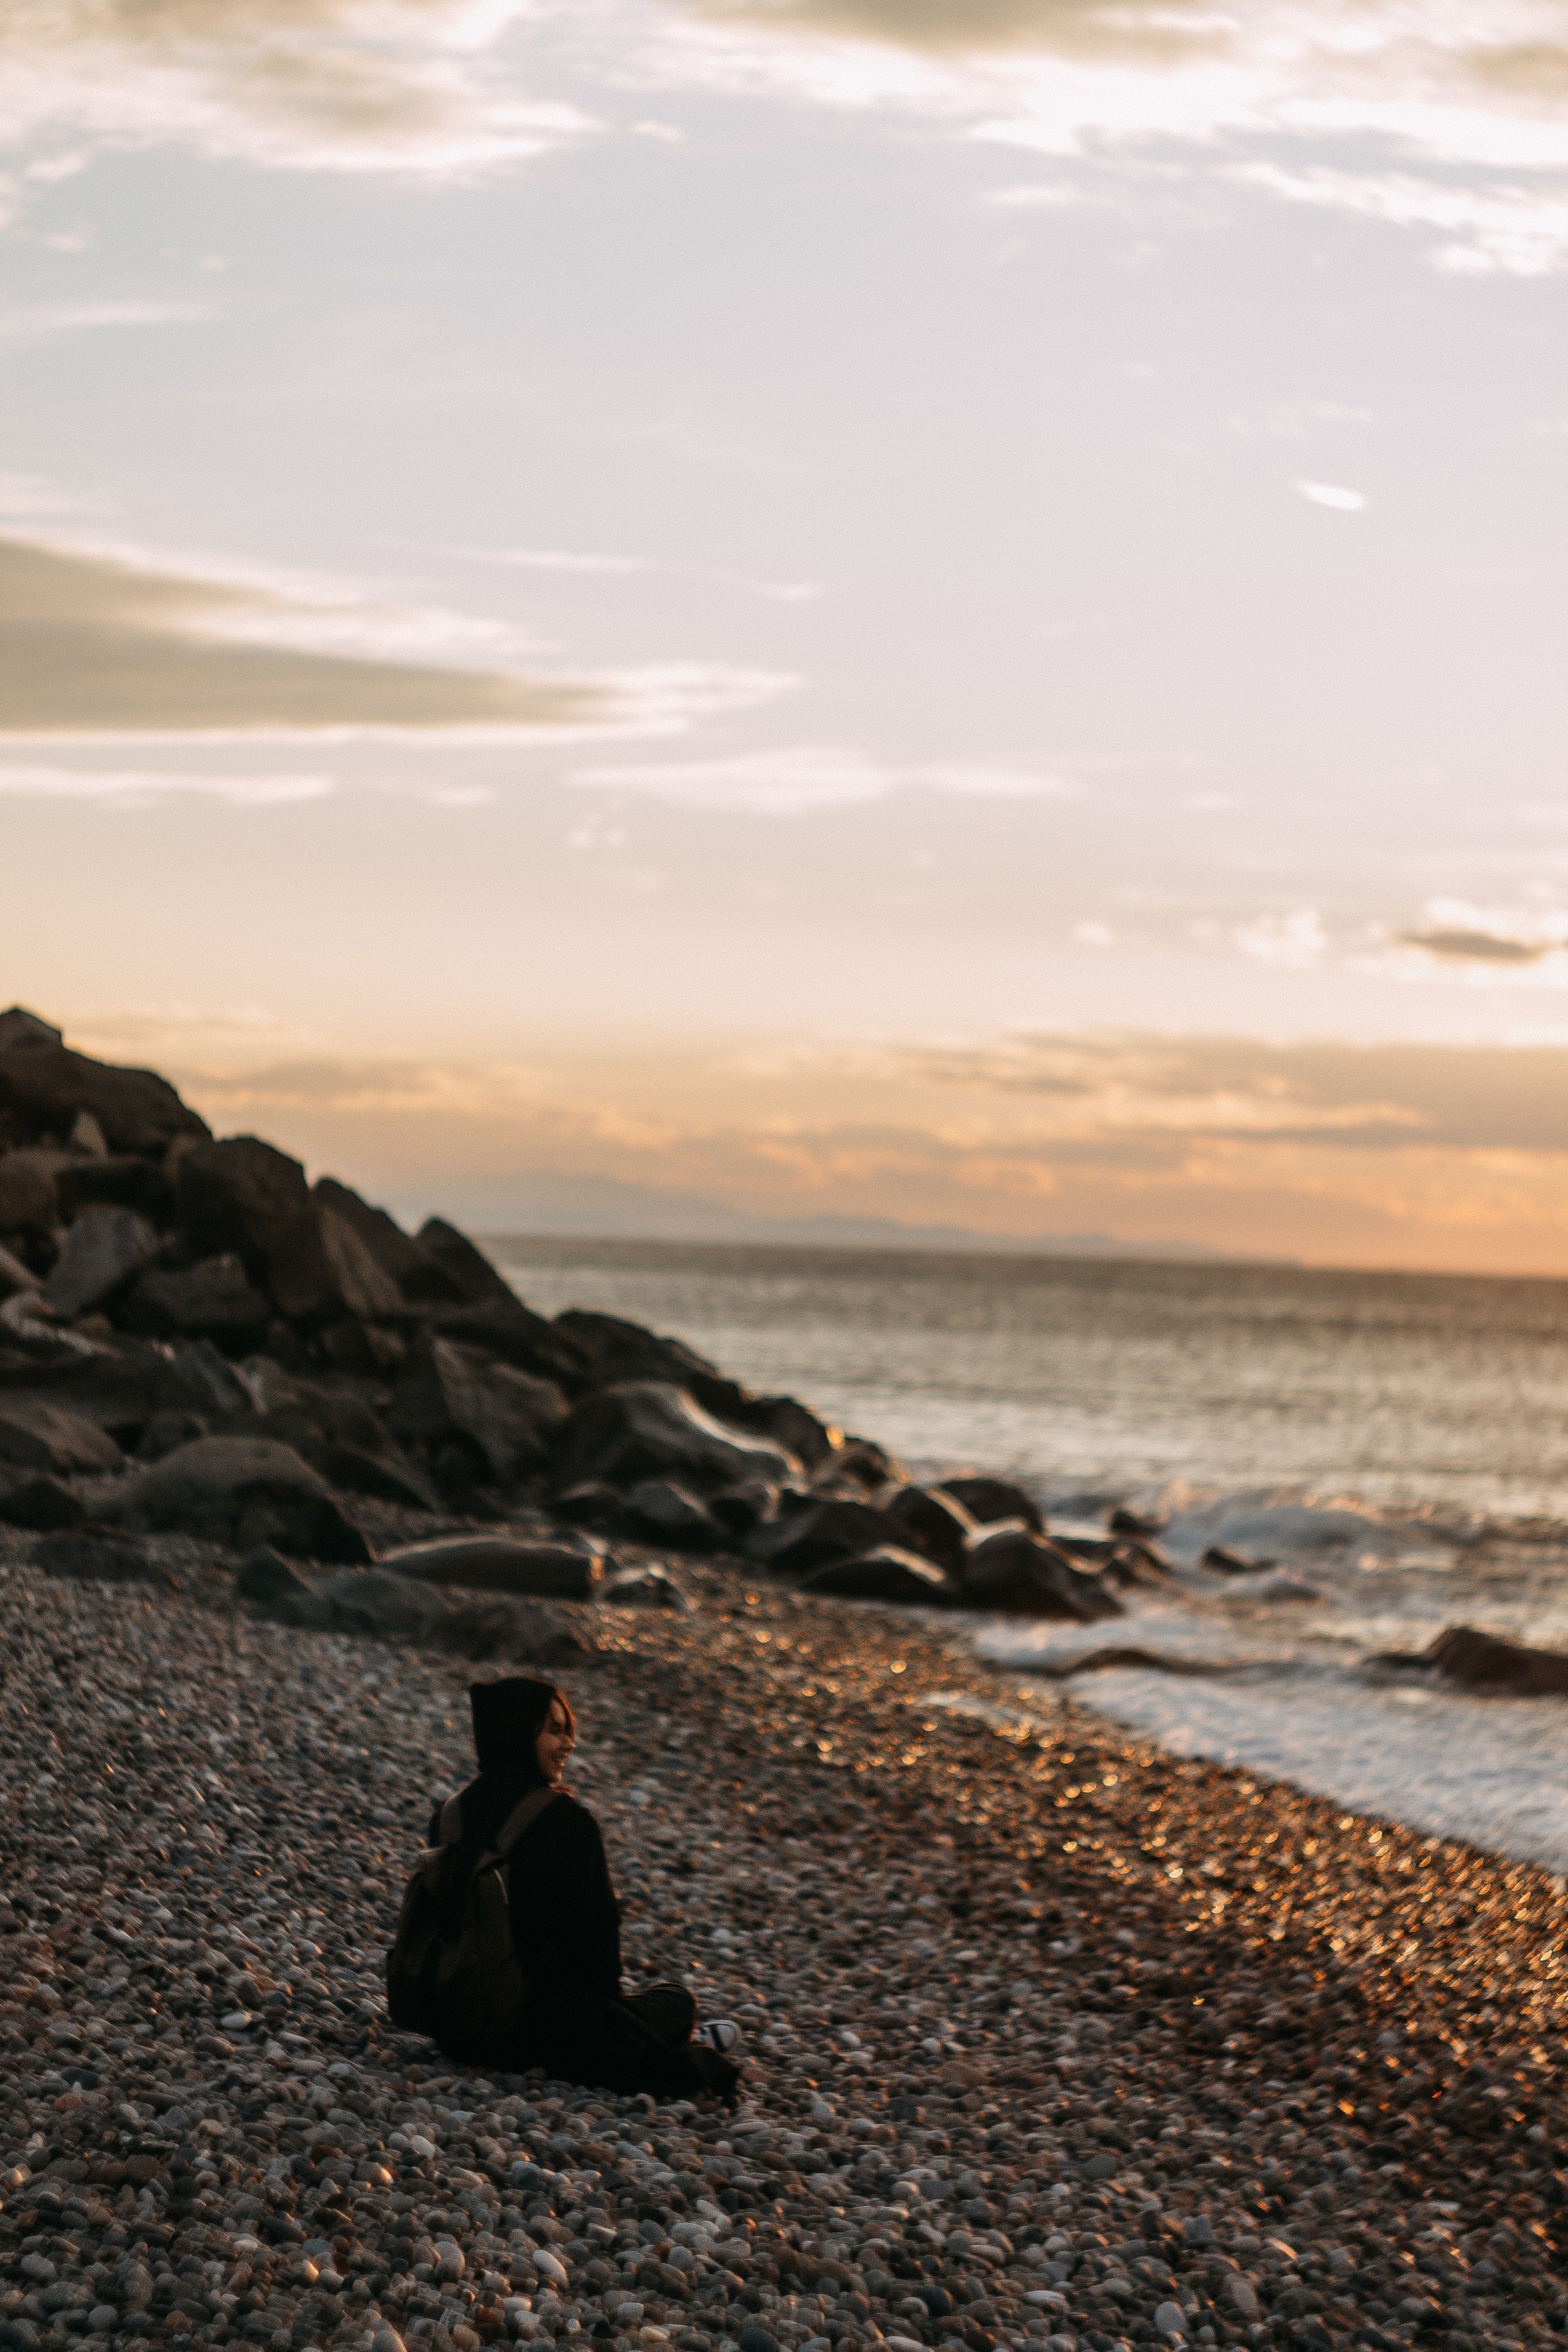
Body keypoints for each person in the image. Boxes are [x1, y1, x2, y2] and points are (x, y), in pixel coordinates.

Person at [426, 1675, 742, 2100]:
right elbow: (598, 1950)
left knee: (629, 2010)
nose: (569, 1745)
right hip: (544, 2033)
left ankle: (642, 2031)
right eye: (555, 1731)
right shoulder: (565, 1823)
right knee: (675, 2000)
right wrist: (613, 2014)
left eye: (567, 1731)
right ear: (519, 1734)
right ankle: (663, 2037)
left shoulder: (449, 1816)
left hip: (453, 2023)